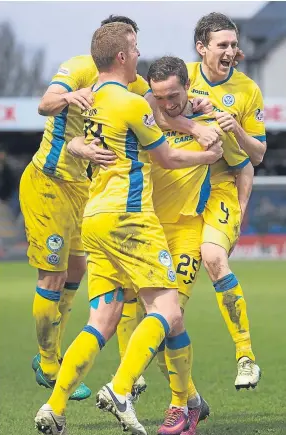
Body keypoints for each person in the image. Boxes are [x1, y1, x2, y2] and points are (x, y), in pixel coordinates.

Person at [34, 23, 223, 435]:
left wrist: (73, 146)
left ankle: (54, 406)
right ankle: (121, 389)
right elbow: (168, 157)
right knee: (168, 311)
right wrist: (208, 155)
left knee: (101, 318)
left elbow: (79, 136)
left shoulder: (92, 99)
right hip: (131, 217)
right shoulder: (131, 103)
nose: (139, 54)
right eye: (135, 48)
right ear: (121, 56)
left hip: (95, 218)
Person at [19, 15, 153, 401]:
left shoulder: (132, 83)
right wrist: (69, 97)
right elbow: (45, 104)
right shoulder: (78, 68)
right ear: (114, 46)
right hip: (49, 181)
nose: (137, 50)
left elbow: (157, 100)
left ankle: (53, 354)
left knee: (75, 271)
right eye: (132, 42)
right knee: (53, 277)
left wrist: (191, 104)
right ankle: (47, 363)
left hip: (85, 190)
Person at [185, 12, 266, 388]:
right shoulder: (181, 78)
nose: (231, 51)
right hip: (179, 192)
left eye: (234, 45)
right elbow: (148, 106)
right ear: (202, 48)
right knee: (167, 289)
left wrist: (236, 130)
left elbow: (258, 154)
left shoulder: (248, 90)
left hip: (221, 188)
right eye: (223, 45)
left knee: (214, 258)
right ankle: (139, 381)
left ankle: (246, 356)